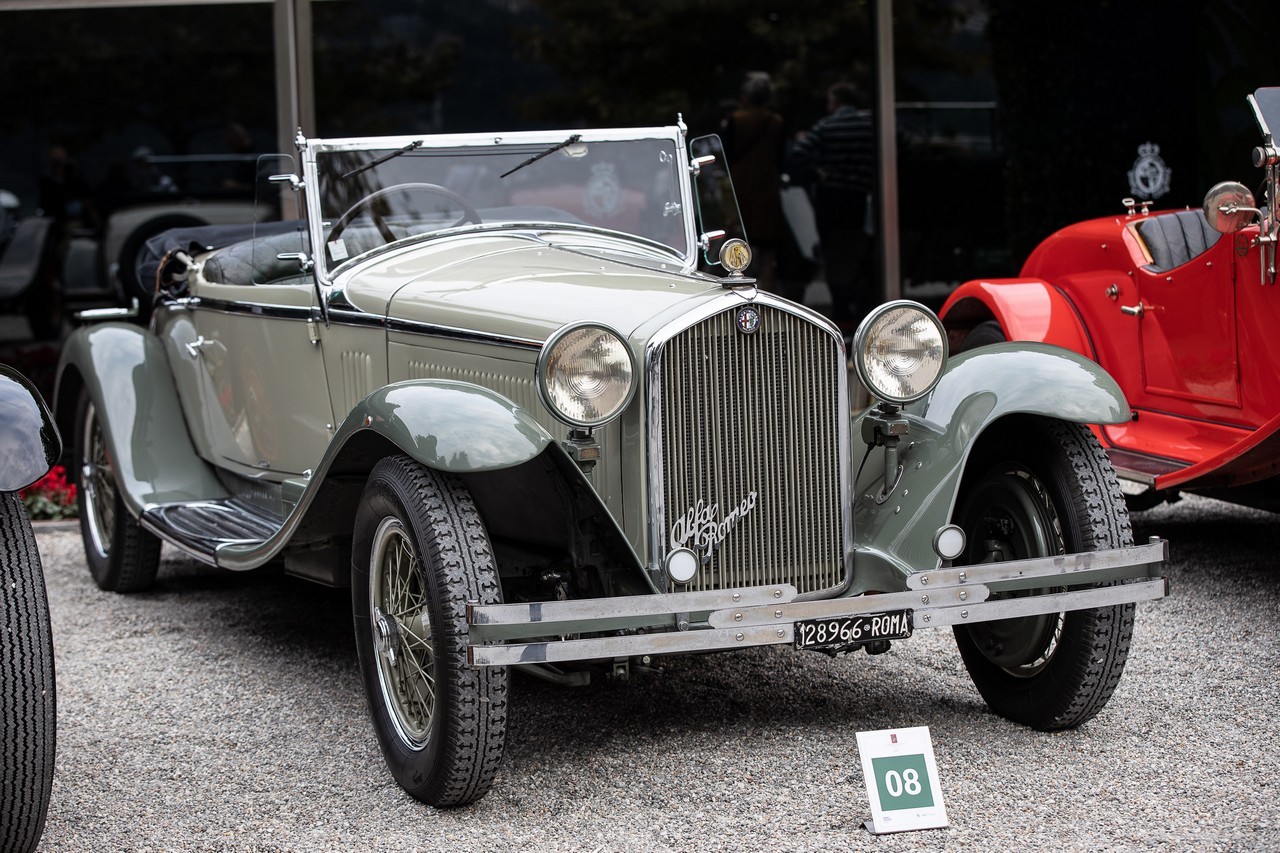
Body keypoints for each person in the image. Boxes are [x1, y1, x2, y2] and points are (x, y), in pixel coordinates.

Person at [790, 81, 876, 331]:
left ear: (835, 103)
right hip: (859, 197)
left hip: (831, 197)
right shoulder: (869, 125)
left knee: (833, 253)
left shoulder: (826, 126)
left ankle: (841, 307)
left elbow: (799, 153)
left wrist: (817, 174)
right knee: (857, 249)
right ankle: (862, 304)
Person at [719, 72, 786, 294]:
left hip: (741, 188)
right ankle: (768, 292)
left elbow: (726, 155)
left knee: (736, 245)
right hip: (767, 189)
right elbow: (780, 158)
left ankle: (738, 292)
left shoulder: (735, 121)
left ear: (746, 96)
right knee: (767, 251)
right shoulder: (776, 122)